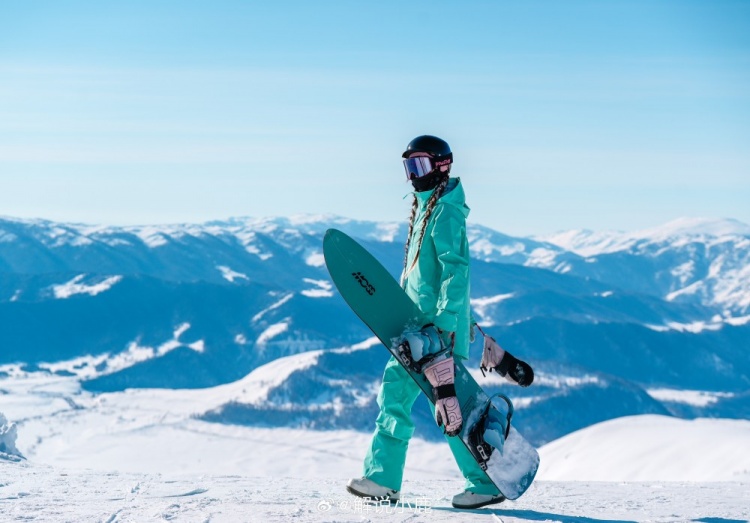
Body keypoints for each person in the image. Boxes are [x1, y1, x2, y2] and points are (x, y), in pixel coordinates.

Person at [346, 135, 518, 510]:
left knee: (446, 406)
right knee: (407, 395)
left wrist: (442, 325)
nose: (413, 176)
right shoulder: (427, 209)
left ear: (442, 166)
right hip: (417, 327)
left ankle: (475, 480)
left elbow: (456, 274)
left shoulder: (445, 213)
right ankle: (384, 478)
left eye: (420, 166)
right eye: (409, 167)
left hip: (432, 332)